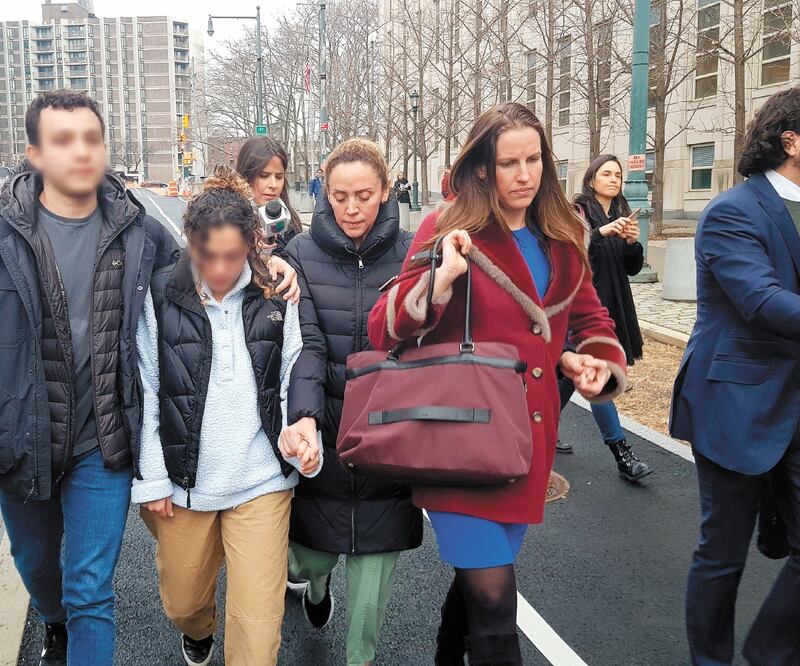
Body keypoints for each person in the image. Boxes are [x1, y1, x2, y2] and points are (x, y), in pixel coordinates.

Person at [368, 102, 630, 665]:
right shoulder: (449, 227)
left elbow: (592, 321)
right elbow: (382, 328)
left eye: (534, 159)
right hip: (461, 441)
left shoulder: (563, 233)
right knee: (493, 602)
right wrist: (440, 278)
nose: (525, 174)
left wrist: (593, 364)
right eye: (509, 162)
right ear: (483, 168)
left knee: (475, 590)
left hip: (526, 441)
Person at [0, 90, 179, 665]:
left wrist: (269, 264)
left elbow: (205, 280)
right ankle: (51, 620)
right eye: (62, 140)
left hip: (103, 441)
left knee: (90, 589)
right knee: (38, 567)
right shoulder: (4, 237)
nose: (81, 151)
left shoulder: (141, 231)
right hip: (21, 436)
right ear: (34, 153)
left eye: (91, 138)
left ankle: (72, 623)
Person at [132, 166, 323, 666]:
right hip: (183, 483)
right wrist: (151, 477)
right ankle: (199, 631)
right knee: (183, 602)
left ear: (254, 244)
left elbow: (292, 370)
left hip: (261, 480)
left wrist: (301, 431)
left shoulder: (276, 291)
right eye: (206, 254)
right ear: (189, 243)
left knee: (259, 639)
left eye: (233, 255)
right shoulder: (161, 294)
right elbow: (149, 386)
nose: (219, 268)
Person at [671, 86, 800, 665]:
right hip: (735, 404)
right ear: (791, 141)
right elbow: (764, 302)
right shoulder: (732, 211)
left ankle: (770, 651)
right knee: (723, 554)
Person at [284, 139, 423, 666]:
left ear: (385, 191)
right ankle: (316, 592)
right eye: (339, 196)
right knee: (310, 559)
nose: (351, 208)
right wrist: (305, 416)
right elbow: (308, 347)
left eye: (364, 195)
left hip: (390, 436)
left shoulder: (413, 252)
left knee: (370, 600)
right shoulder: (300, 254)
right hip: (330, 428)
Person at [554, 155, 653, 482]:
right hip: (580, 309)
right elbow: (568, 251)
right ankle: (622, 453)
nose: (614, 179)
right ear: (592, 178)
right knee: (599, 378)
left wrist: (631, 243)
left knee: (571, 379)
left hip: (612, 305)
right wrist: (600, 232)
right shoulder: (577, 211)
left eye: (618, 175)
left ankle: (534, 426)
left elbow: (632, 268)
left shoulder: (621, 213)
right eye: (606, 174)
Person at [235, 135, 303, 256]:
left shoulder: (292, 222)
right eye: (264, 175)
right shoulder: (225, 222)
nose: (273, 185)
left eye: (279, 176)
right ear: (245, 176)